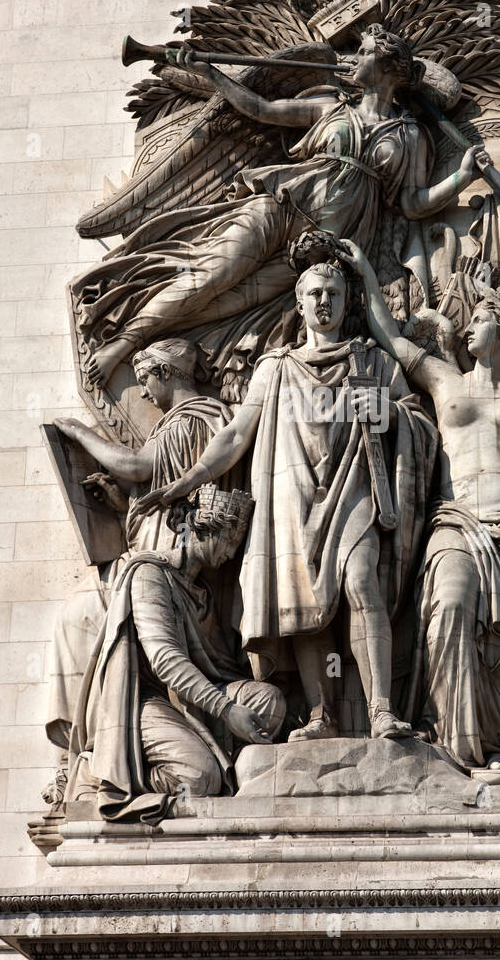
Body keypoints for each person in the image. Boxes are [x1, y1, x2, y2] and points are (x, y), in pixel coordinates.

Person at [71, 25, 490, 385]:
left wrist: (462, 177)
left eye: (364, 52)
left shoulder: (411, 135)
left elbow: (412, 203)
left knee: (231, 303)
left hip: (322, 247)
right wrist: (212, 74)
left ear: (387, 66)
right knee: (210, 277)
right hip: (281, 206)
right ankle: (121, 343)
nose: (354, 58)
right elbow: (261, 108)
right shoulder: (330, 106)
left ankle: (153, 342)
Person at [137, 258, 437, 741]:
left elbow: (418, 418)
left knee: (362, 582)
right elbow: (237, 434)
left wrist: (387, 412)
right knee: (303, 606)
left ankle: (381, 708)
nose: (324, 302)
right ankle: (322, 713)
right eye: (315, 293)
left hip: (353, 487)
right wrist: (185, 481)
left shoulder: (373, 361)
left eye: (334, 294)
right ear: (299, 303)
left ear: (347, 302)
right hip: (292, 497)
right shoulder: (275, 368)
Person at [342, 237, 500, 772]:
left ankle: (495, 746)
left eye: (478, 320)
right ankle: (454, 744)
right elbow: (390, 336)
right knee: (449, 607)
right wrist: (364, 269)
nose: (467, 328)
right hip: (457, 519)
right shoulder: (442, 377)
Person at [43, 338, 231, 798]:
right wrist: (121, 503)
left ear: (167, 373)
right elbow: (157, 492)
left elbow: (136, 464)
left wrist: (78, 432)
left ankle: (83, 761)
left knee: (78, 620)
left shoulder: (191, 420)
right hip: (153, 565)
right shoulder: (183, 423)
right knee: (77, 621)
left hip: (164, 574)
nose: (143, 391)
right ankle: (80, 757)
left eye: (145, 378)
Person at [67, 486, 285, 822]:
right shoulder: (150, 575)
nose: (231, 552)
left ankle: (220, 757)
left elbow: (217, 667)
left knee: (269, 702)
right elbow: (165, 660)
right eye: (229, 540)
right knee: (200, 778)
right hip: (144, 701)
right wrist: (228, 710)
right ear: (204, 529)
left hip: (189, 701)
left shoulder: (203, 593)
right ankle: (105, 772)